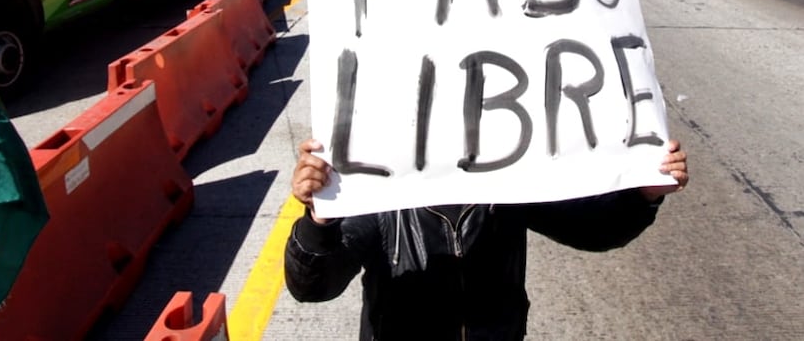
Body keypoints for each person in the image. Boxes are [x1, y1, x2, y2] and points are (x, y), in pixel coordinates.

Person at [285, 138, 688, 340]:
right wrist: (320, 220)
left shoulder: (507, 185)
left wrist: (643, 195)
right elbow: (312, 286)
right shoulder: (380, 196)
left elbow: (592, 230)